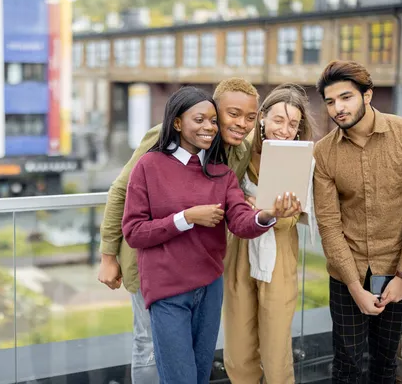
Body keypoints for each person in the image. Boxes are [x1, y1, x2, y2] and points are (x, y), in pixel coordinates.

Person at [121, 86, 301, 384]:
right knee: (180, 378)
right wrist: (186, 218)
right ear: (177, 123)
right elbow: (134, 232)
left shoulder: (222, 172)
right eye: (199, 120)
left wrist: (268, 215)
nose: (209, 127)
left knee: (201, 374)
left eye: (213, 121)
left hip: (209, 287)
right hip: (168, 290)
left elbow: (241, 222)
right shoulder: (148, 166)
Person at [97, 77, 259, 383]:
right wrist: (108, 255)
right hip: (152, 260)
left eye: (250, 118)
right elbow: (121, 191)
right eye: (232, 114)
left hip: (199, 267)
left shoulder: (238, 151)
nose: (241, 124)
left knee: (191, 354)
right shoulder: (164, 139)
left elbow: (230, 195)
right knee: (149, 344)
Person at [313, 60, 402, 383]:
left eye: (346, 97)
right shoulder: (323, 153)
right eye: (330, 101)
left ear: (367, 95)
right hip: (346, 273)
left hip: (394, 270)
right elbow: (328, 225)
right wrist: (355, 287)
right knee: (347, 365)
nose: (337, 108)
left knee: (386, 363)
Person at [222, 83, 316, 383]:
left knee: (276, 353)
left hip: (279, 257)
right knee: (238, 351)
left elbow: (296, 217)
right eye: (278, 120)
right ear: (262, 117)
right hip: (239, 251)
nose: (285, 130)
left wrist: (271, 211)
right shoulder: (239, 151)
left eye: (293, 124)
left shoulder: (303, 159)